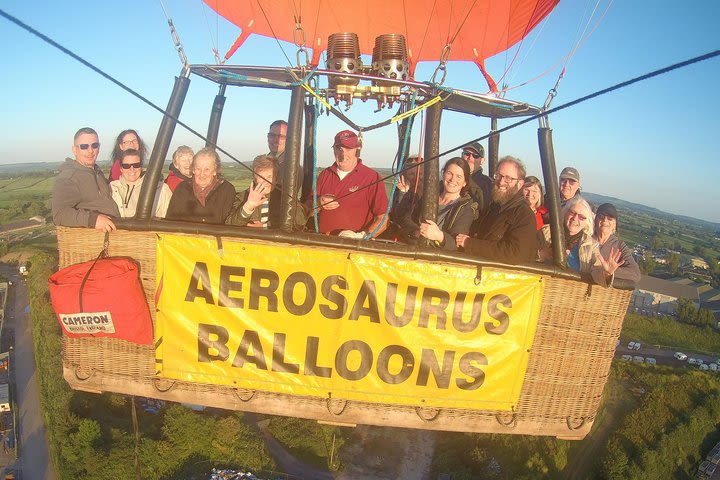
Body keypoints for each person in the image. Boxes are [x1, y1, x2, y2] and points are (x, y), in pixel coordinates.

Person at [308, 130, 388, 238]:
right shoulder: (324, 174)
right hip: (322, 244)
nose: (343, 153)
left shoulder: (372, 177)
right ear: (334, 150)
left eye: (348, 148)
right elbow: (307, 210)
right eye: (339, 148)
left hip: (352, 249)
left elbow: (383, 218)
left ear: (357, 149)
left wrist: (361, 236)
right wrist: (318, 203)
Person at [455, 156, 536, 263]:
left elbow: (516, 253)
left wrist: (469, 243)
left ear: (520, 184)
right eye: (498, 176)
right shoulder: (494, 207)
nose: (501, 182)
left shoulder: (524, 215)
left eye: (508, 178)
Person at [397, 158, 478, 249]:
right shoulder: (429, 197)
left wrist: (439, 236)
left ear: (465, 182)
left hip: (437, 258)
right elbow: (407, 219)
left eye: (458, 176)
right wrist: (416, 231)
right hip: (413, 248)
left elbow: (457, 244)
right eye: (449, 173)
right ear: (443, 174)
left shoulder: (466, 209)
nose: (452, 179)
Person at [52, 127, 119, 232]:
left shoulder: (96, 171)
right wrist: (93, 220)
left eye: (94, 145)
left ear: (99, 147)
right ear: (74, 150)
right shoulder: (69, 178)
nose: (90, 151)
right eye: (84, 146)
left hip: (113, 232)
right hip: (94, 240)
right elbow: (59, 214)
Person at [226, 155, 306, 228]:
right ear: (254, 178)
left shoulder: (286, 196)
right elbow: (230, 224)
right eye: (261, 177)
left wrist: (265, 226)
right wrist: (248, 206)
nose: (266, 182)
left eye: (270, 177)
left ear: (276, 178)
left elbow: (300, 222)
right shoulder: (243, 197)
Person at [165, 147, 235, 224]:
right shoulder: (182, 189)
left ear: (215, 171)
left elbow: (230, 223)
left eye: (207, 169)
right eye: (198, 169)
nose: (202, 174)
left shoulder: (227, 190)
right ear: (193, 169)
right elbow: (170, 221)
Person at [110, 149, 172, 218]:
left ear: (141, 167)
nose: (132, 169)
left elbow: (169, 218)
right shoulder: (112, 188)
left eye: (136, 165)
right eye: (126, 166)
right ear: (121, 168)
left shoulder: (161, 189)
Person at [592, 203, 641, 287]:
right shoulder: (586, 238)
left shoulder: (620, 246)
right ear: (595, 219)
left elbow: (635, 274)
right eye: (601, 216)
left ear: (615, 224)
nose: (605, 220)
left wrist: (609, 271)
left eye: (610, 218)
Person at [460, 142, 491, 211]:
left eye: (476, 156)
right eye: (467, 153)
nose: (470, 158)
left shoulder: (487, 184)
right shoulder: (449, 179)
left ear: (482, 161)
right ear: (462, 155)